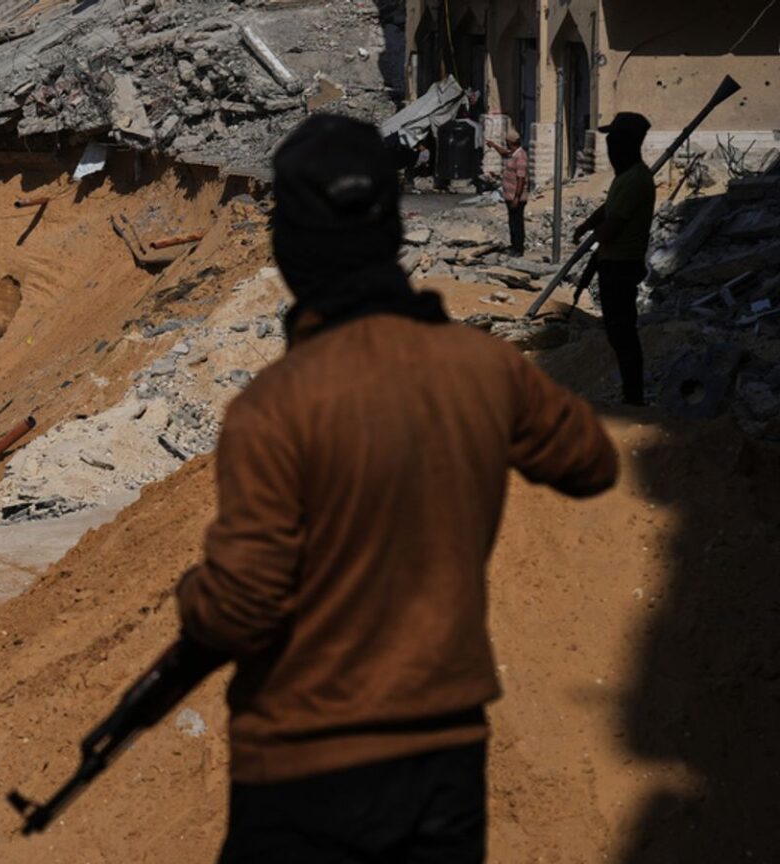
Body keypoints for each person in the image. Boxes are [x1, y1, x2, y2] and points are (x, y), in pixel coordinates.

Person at [173, 114, 619, 863]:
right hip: (443, 755)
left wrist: (193, 595)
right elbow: (589, 463)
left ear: (295, 247)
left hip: (308, 759)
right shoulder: (484, 369)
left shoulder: (276, 408)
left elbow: (242, 607)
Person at [574, 112, 656, 406]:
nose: (608, 151)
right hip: (613, 263)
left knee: (623, 334)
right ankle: (630, 392)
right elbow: (607, 211)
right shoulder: (625, 178)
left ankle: (633, 397)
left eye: (612, 144)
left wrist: (593, 236)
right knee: (618, 332)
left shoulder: (635, 180)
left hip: (622, 266)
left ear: (624, 146)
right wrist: (585, 226)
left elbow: (611, 227)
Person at [487, 128, 529, 256]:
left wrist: (517, 197)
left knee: (517, 222)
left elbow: (521, 179)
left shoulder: (521, 156)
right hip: (509, 195)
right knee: (512, 221)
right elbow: (505, 153)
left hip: (517, 197)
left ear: (510, 142)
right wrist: (494, 146)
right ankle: (513, 245)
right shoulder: (514, 153)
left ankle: (518, 248)